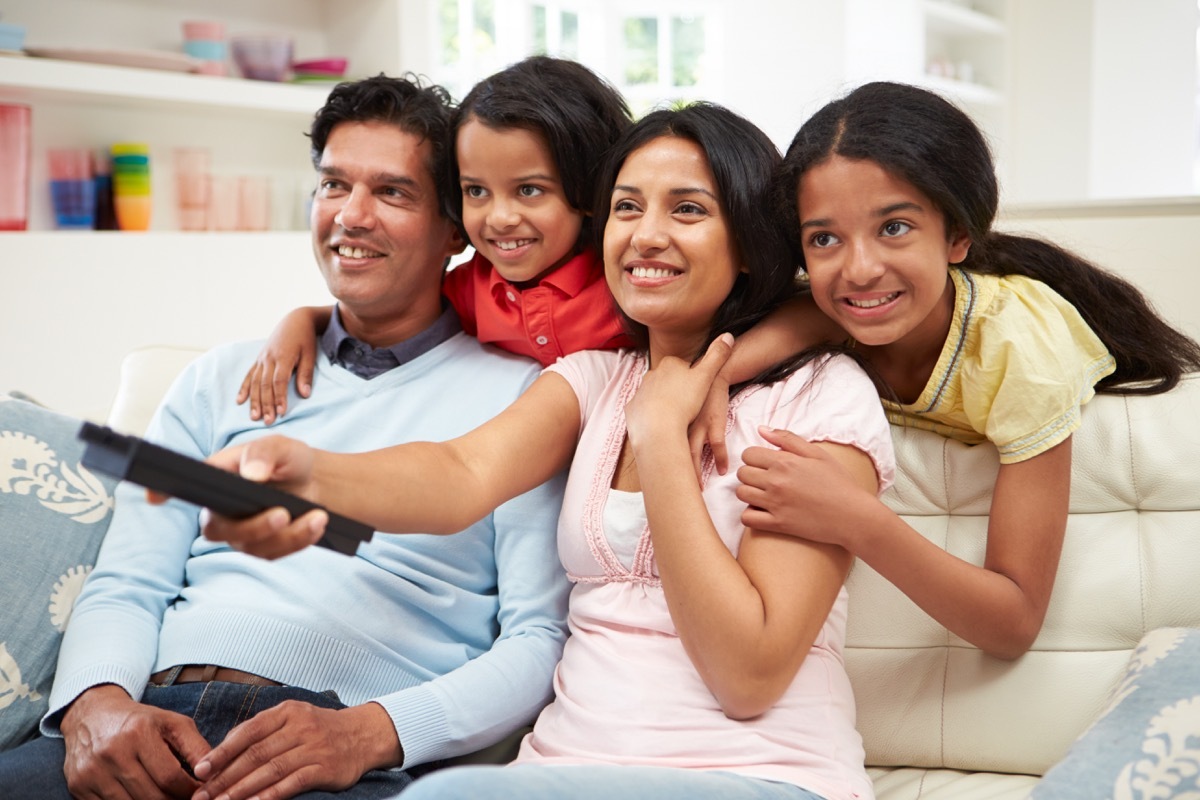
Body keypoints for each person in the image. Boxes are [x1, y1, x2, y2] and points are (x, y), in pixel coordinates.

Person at [201, 103, 896, 800]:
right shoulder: (593, 379)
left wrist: (659, 436)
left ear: (746, 242)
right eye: (627, 208)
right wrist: (313, 473)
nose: (647, 235)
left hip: (763, 775)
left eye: (687, 210)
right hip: (560, 770)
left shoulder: (819, 395)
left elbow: (748, 675)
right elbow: (460, 473)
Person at [0, 75, 570, 800]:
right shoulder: (218, 380)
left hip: (343, 753)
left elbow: (536, 641)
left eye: (392, 193)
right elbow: (129, 581)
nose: (351, 216)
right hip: (148, 723)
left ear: (455, 228)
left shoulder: (525, 402)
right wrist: (96, 702)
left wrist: (370, 733)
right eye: (334, 185)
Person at [732, 80, 1200, 660]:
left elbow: (1013, 623)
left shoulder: (1018, 352)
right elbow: (798, 323)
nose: (859, 269)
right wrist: (697, 385)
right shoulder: (834, 313)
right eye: (824, 238)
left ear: (957, 235)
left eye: (894, 227)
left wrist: (855, 518)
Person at [238, 55, 633, 425]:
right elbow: (388, 312)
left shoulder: (622, 280)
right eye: (476, 191)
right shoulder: (474, 290)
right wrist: (302, 320)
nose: (499, 218)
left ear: (588, 190)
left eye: (529, 190)